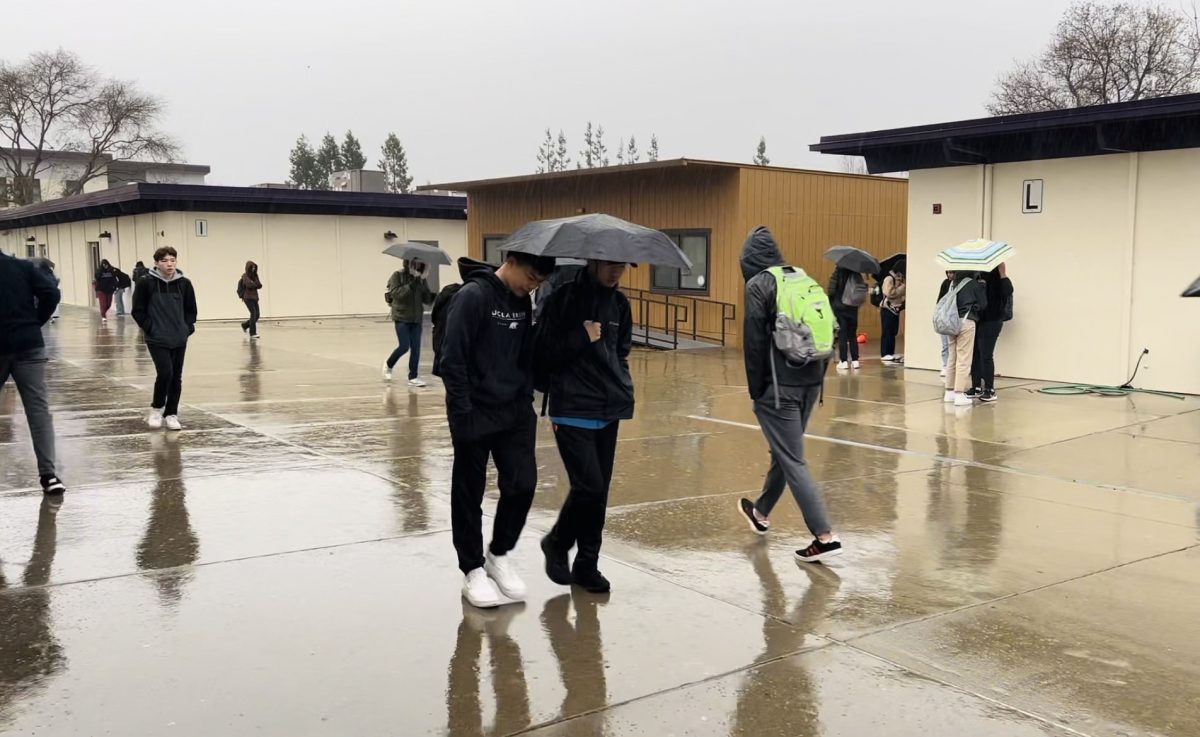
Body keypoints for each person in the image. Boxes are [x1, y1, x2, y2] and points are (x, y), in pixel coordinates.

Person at [438, 251, 555, 609]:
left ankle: (499, 554)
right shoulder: (473, 297)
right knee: (469, 492)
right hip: (475, 410)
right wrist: (462, 415)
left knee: (522, 485)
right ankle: (472, 569)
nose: (533, 287)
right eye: (531, 277)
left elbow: (521, 354)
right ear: (513, 261)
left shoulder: (523, 301)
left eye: (540, 283)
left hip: (515, 410)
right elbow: (451, 360)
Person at [737, 226, 842, 563]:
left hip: (778, 389)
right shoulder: (799, 277)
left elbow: (754, 342)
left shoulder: (759, 284)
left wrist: (757, 391)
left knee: (794, 459)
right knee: (786, 450)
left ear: (749, 261)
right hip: (812, 381)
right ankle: (761, 511)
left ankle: (824, 535)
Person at [534, 260, 633, 594]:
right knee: (588, 486)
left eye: (622, 265)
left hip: (609, 407)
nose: (615, 271)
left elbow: (621, 352)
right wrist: (582, 335)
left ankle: (587, 564)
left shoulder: (620, 304)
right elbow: (543, 353)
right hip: (572, 407)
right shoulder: (563, 298)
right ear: (594, 261)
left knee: (599, 493)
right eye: (609, 264)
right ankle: (557, 542)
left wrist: (621, 382)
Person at [0, 251, 66, 495]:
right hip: (28, 345)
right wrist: (34, 322)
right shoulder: (22, 267)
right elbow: (51, 293)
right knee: (38, 411)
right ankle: (49, 476)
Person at [131, 247, 198, 431]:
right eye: (165, 261)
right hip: (157, 337)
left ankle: (171, 414)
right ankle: (156, 408)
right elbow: (137, 310)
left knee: (176, 377)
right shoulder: (147, 283)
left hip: (178, 337)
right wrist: (150, 328)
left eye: (172, 260)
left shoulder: (184, 284)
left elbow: (191, 310)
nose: (169, 264)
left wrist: (186, 328)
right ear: (157, 263)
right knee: (165, 373)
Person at [383, 258, 434, 386]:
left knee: (416, 348)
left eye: (419, 264)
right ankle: (389, 364)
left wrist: (426, 285)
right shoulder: (397, 276)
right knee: (404, 346)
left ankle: (413, 377)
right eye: (414, 263)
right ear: (408, 263)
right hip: (401, 316)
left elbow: (427, 299)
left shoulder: (421, 278)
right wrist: (412, 283)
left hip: (416, 318)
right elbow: (396, 295)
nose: (417, 266)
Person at [968, 264, 1013, 403]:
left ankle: (989, 389)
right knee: (975, 353)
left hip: (993, 319)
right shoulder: (978, 277)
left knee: (986, 354)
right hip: (978, 319)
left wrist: (1002, 273)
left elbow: (1008, 291)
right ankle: (976, 386)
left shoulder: (1000, 279)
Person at [942, 270, 987, 408]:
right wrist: (981, 288)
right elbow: (983, 304)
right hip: (967, 322)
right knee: (964, 358)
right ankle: (959, 393)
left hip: (951, 322)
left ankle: (948, 392)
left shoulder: (952, 283)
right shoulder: (973, 284)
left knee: (952, 357)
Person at [827, 266, 867, 370]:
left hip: (840, 309)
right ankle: (855, 361)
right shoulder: (857, 275)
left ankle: (843, 361)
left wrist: (832, 304)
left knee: (842, 335)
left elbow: (831, 291)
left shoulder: (837, 273)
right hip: (853, 309)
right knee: (852, 335)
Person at [880, 260, 906, 362]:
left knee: (893, 332)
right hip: (887, 308)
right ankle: (885, 353)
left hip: (895, 309)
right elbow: (889, 293)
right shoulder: (889, 278)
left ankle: (890, 352)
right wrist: (902, 288)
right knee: (887, 331)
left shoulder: (898, 279)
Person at [239, 261, 263, 339]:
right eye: (251, 267)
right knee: (253, 313)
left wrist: (253, 283)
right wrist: (253, 284)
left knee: (257, 315)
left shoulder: (255, 276)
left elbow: (259, 285)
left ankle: (245, 325)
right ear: (248, 268)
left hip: (255, 298)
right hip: (247, 298)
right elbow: (248, 284)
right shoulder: (245, 276)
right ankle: (253, 333)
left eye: (254, 268)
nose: (253, 269)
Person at [936, 271, 953, 376]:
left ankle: (951, 366)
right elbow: (939, 300)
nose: (950, 275)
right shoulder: (946, 283)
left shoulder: (959, 284)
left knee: (953, 344)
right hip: (944, 316)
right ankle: (945, 365)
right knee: (945, 344)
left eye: (952, 272)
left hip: (953, 317)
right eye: (948, 273)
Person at [93, 259, 119, 323]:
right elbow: (97, 277)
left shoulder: (111, 270)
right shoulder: (99, 271)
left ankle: (103, 312)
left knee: (108, 304)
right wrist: (102, 270)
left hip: (109, 289)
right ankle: (103, 316)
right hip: (101, 290)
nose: (105, 265)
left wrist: (115, 286)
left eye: (106, 264)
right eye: (104, 264)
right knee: (103, 304)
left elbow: (114, 278)